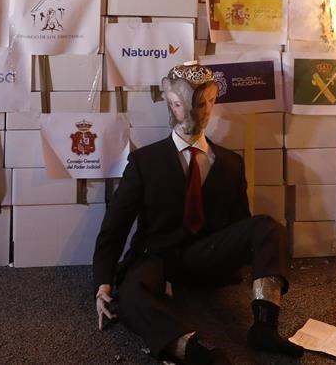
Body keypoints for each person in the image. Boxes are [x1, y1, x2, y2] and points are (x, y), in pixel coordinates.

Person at [94, 63, 301, 364]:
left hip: (205, 254)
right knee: (127, 296)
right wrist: (102, 283)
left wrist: (253, 259)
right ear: (170, 102)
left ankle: (264, 326)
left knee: (268, 227)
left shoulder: (230, 164)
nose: (194, 114)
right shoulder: (144, 162)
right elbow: (114, 229)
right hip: (157, 256)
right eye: (181, 105)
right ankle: (191, 349)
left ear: (213, 102)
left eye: (203, 104)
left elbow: (242, 227)